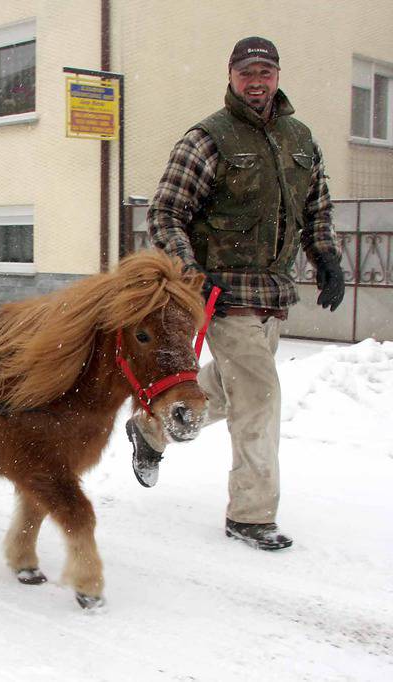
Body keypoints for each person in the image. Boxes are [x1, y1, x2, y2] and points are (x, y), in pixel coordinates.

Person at [130, 36, 344, 550]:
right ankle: (250, 513)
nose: (256, 81)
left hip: (273, 296)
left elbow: (315, 209)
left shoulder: (300, 139)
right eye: (246, 72)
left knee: (229, 391)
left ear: (276, 76)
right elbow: (165, 214)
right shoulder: (208, 139)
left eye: (264, 72)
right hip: (224, 297)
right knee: (260, 400)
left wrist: (328, 258)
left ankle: (152, 428)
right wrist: (194, 276)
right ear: (230, 75)